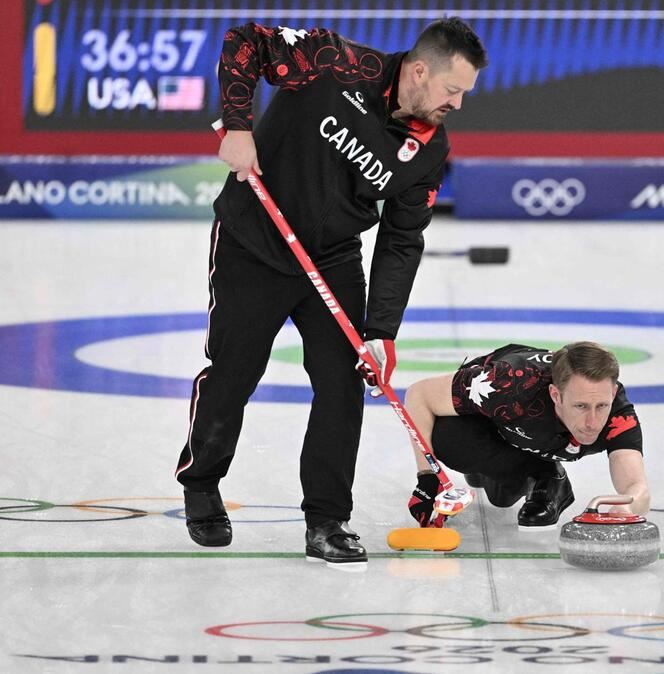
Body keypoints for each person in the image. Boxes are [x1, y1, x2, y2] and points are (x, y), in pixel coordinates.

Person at [173, 18, 488, 569]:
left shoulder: (429, 149)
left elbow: (401, 238)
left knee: (343, 385)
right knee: (234, 373)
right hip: (253, 240)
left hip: (333, 260)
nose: (457, 104)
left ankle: (327, 519)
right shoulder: (333, 63)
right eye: (452, 90)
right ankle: (201, 483)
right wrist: (240, 125)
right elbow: (244, 41)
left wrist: (381, 331)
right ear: (419, 71)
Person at [400, 342, 650, 530]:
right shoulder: (508, 383)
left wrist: (627, 507)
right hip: (494, 424)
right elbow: (419, 394)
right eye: (581, 406)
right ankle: (540, 474)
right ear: (555, 395)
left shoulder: (618, 413)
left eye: (601, 406)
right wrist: (427, 478)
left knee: (501, 497)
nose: (593, 423)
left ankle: (545, 476)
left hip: (529, 435)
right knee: (450, 439)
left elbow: (636, 486)